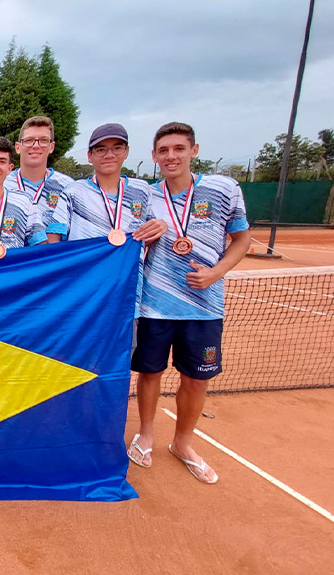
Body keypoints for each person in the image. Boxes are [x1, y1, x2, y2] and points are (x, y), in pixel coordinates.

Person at [128, 122, 251, 484]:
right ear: (153, 156)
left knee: (196, 380)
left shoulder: (223, 188)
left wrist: (216, 272)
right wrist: (145, 237)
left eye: (179, 149)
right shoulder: (145, 197)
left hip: (205, 306)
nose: (171, 156)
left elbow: (243, 240)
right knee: (149, 373)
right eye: (163, 150)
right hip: (153, 305)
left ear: (193, 151)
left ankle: (183, 443)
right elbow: (130, 243)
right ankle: (146, 435)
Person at [46, 123, 168, 303]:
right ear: (90, 156)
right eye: (101, 149)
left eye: (117, 148)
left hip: (127, 292)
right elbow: (54, 238)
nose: (109, 155)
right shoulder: (73, 192)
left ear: (126, 152)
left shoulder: (142, 190)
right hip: (83, 292)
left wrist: (160, 226)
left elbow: (152, 228)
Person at [7, 116, 74, 230]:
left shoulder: (68, 186)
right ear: (18, 147)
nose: (36, 146)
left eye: (43, 140)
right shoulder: (3, 184)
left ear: (51, 146)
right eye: (29, 140)